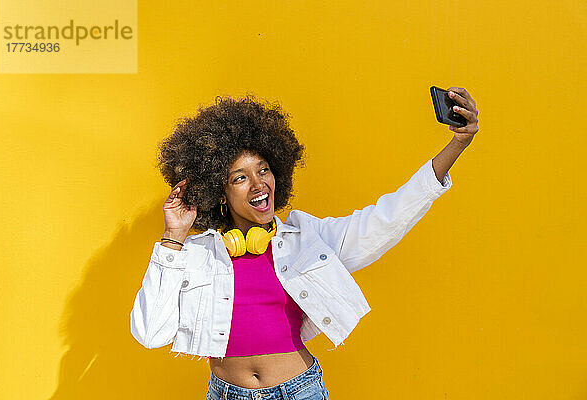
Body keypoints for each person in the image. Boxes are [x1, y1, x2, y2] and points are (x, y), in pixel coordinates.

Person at [130, 90, 479, 400]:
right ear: (220, 192)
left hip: (299, 391)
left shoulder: (308, 238)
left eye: (263, 169)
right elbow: (149, 333)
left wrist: (456, 146)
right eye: (240, 177)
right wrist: (173, 237)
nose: (258, 184)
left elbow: (386, 219)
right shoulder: (194, 255)